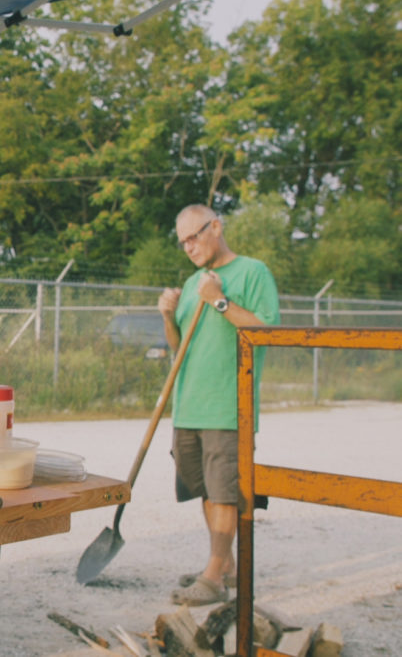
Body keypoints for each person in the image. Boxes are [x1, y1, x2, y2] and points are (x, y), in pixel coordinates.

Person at [157, 204, 279, 607]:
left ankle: (212, 577)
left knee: (225, 491)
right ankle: (225, 567)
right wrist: (168, 317)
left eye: (194, 237)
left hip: (228, 405)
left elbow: (267, 331)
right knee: (206, 489)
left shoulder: (252, 272)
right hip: (189, 404)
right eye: (182, 242)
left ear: (216, 226)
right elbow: (180, 348)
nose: (188, 247)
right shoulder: (193, 282)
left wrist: (220, 301)